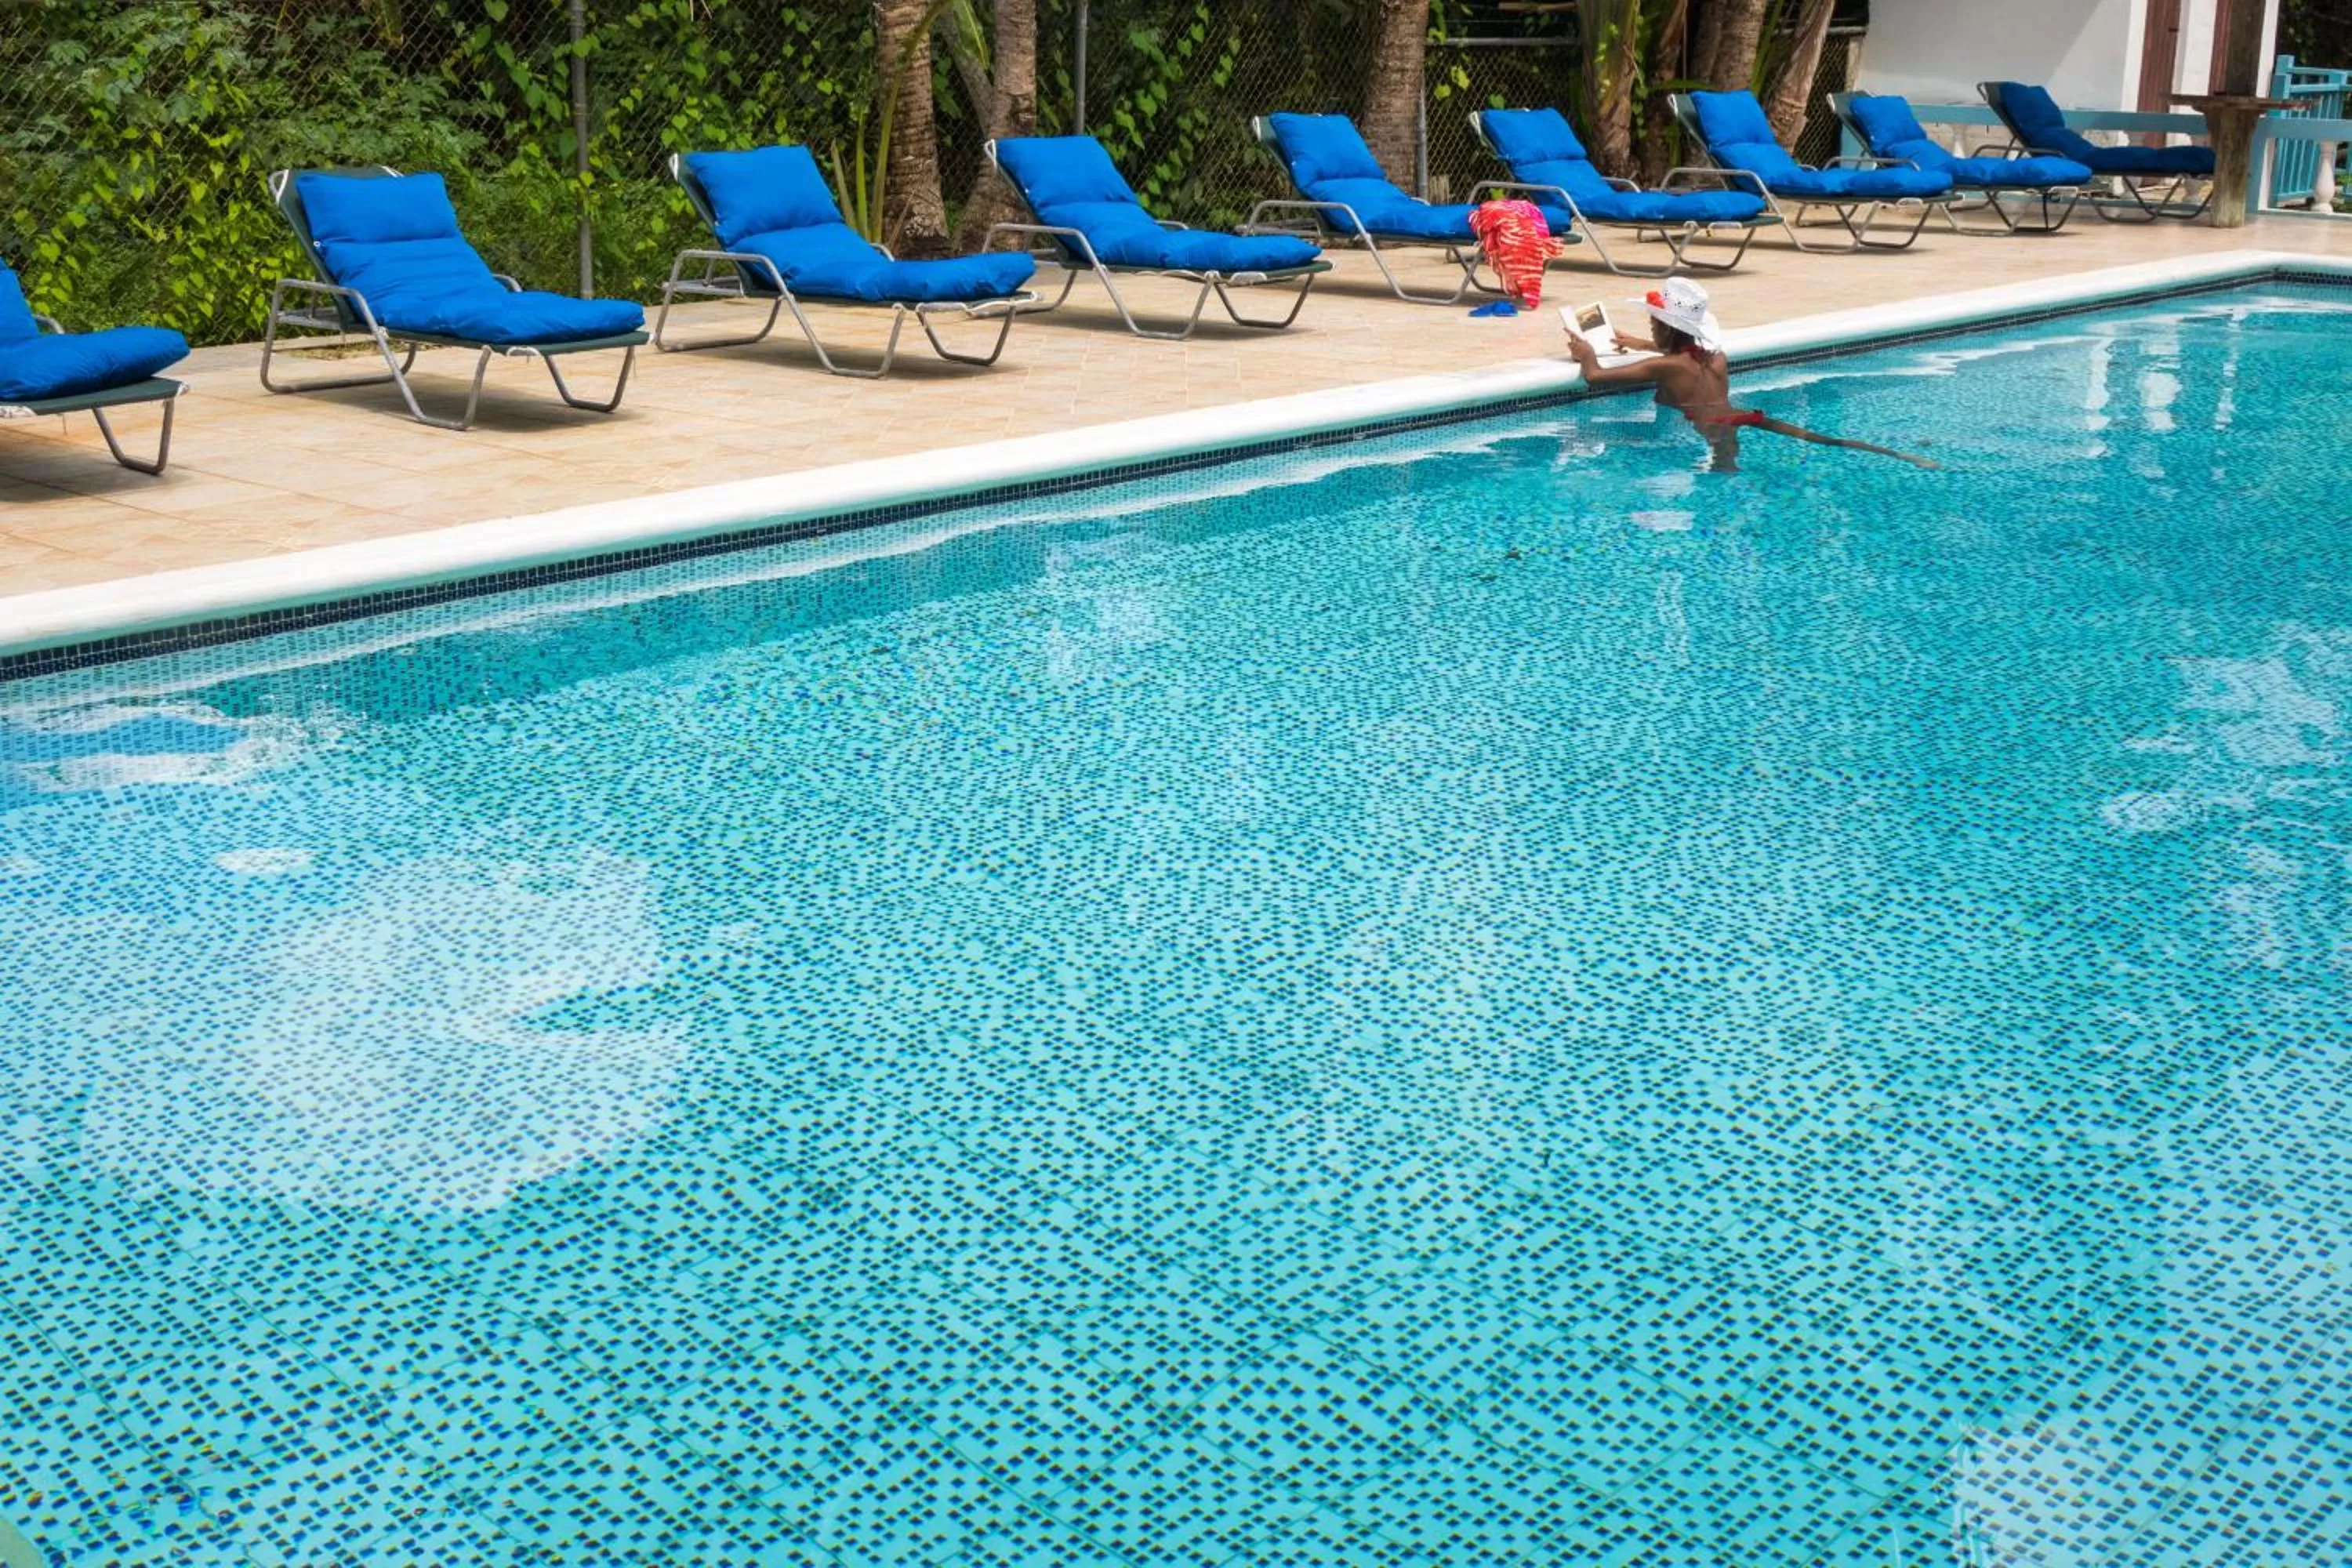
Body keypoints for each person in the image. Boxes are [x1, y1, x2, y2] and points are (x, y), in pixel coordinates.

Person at [1564, 278, 1938, 473]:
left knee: (1617, 444)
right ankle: (1901, 455)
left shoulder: (1667, 365)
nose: (1652, 328)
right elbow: (1679, 357)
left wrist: (1586, 353)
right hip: (1736, 416)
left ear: (1667, 330)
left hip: (1694, 427)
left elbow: (1595, 377)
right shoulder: (1716, 356)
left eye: (1653, 324)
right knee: (1820, 438)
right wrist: (1644, 343)